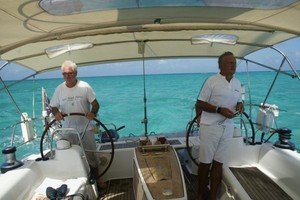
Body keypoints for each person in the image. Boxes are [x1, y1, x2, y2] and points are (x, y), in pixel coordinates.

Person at [50, 60, 106, 191]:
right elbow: (53, 107)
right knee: (69, 155)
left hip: (85, 128)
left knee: (91, 156)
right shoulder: (59, 89)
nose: (67, 77)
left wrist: (93, 113)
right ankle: (73, 183)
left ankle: (98, 179)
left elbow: (96, 104)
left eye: (70, 73)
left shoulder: (85, 87)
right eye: (64, 74)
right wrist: (56, 113)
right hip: (68, 130)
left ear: (76, 73)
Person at [195, 52, 244, 200]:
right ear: (220, 65)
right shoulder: (211, 81)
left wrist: (240, 105)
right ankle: (199, 194)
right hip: (210, 127)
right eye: (230, 63)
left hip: (228, 127)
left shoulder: (237, 83)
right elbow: (200, 103)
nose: (233, 65)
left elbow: (239, 101)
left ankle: (213, 196)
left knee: (218, 163)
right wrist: (219, 110)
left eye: (234, 63)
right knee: (205, 163)